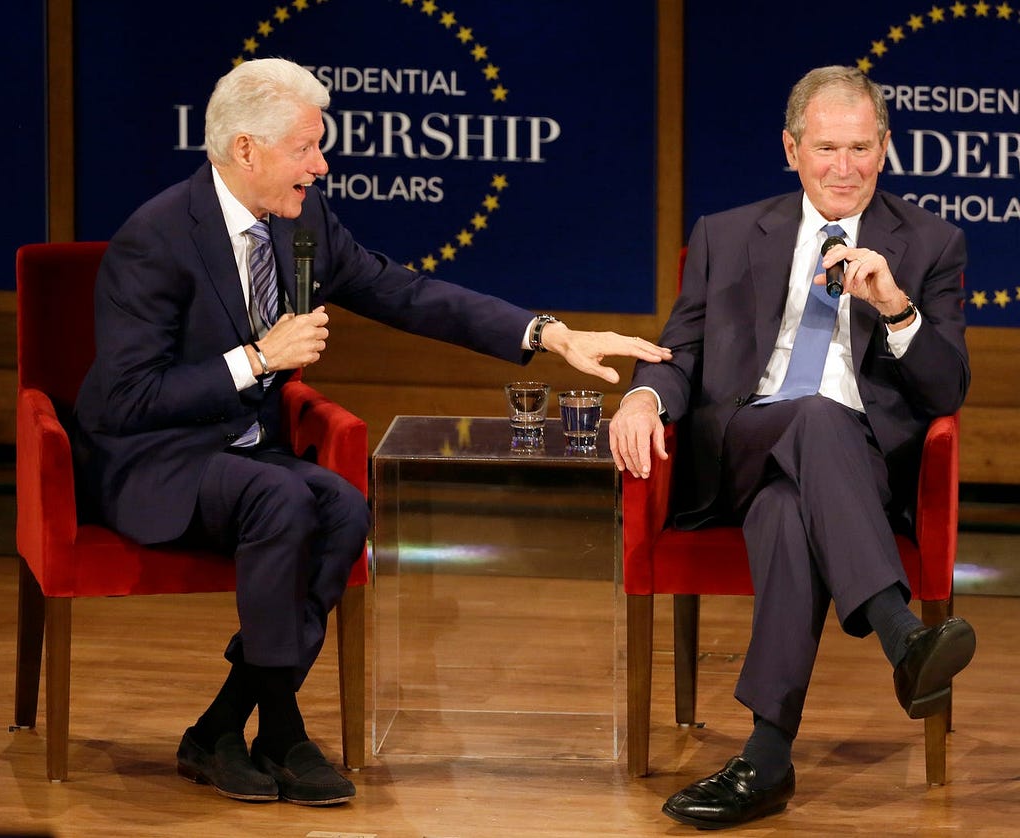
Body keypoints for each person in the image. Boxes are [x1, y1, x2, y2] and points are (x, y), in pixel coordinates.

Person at [71, 57, 671, 807]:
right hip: (152, 458)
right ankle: (282, 728)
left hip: (246, 456)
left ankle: (223, 724)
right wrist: (255, 357)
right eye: (305, 149)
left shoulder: (305, 222)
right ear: (246, 149)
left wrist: (546, 334)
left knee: (346, 507)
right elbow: (128, 398)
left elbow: (406, 293)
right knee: (283, 501)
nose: (321, 166)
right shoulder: (155, 237)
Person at [609, 65, 976, 830]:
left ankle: (765, 760)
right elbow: (678, 352)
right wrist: (644, 395)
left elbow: (945, 394)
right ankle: (900, 634)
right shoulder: (729, 233)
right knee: (808, 416)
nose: (844, 168)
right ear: (791, 149)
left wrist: (896, 307)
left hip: (859, 470)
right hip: (741, 444)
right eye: (826, 149)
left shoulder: (931, 245)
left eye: (861, 148)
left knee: (787, 512)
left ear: (885, 149)